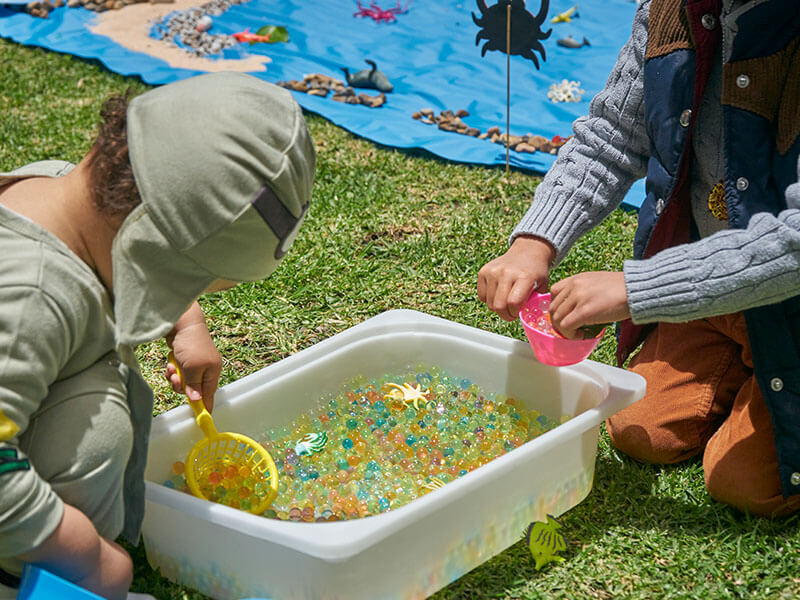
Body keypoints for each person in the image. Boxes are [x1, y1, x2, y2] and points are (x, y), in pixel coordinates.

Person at [478, 0, 800, 518]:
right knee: (638, 429)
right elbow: (611, 135)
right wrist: (535, 241)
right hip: (714, 291)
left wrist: (638, 288)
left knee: (746, 484)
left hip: (791, 300)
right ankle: (747, 364)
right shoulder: (672, 10)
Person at [0, 72, 315, 599]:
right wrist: (83, 553)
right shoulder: (34, 297)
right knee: (98, 430)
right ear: (146, 248)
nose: (181, 295)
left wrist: (186, 321)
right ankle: (20, 578)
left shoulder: (62, 190)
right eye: (186, 282)